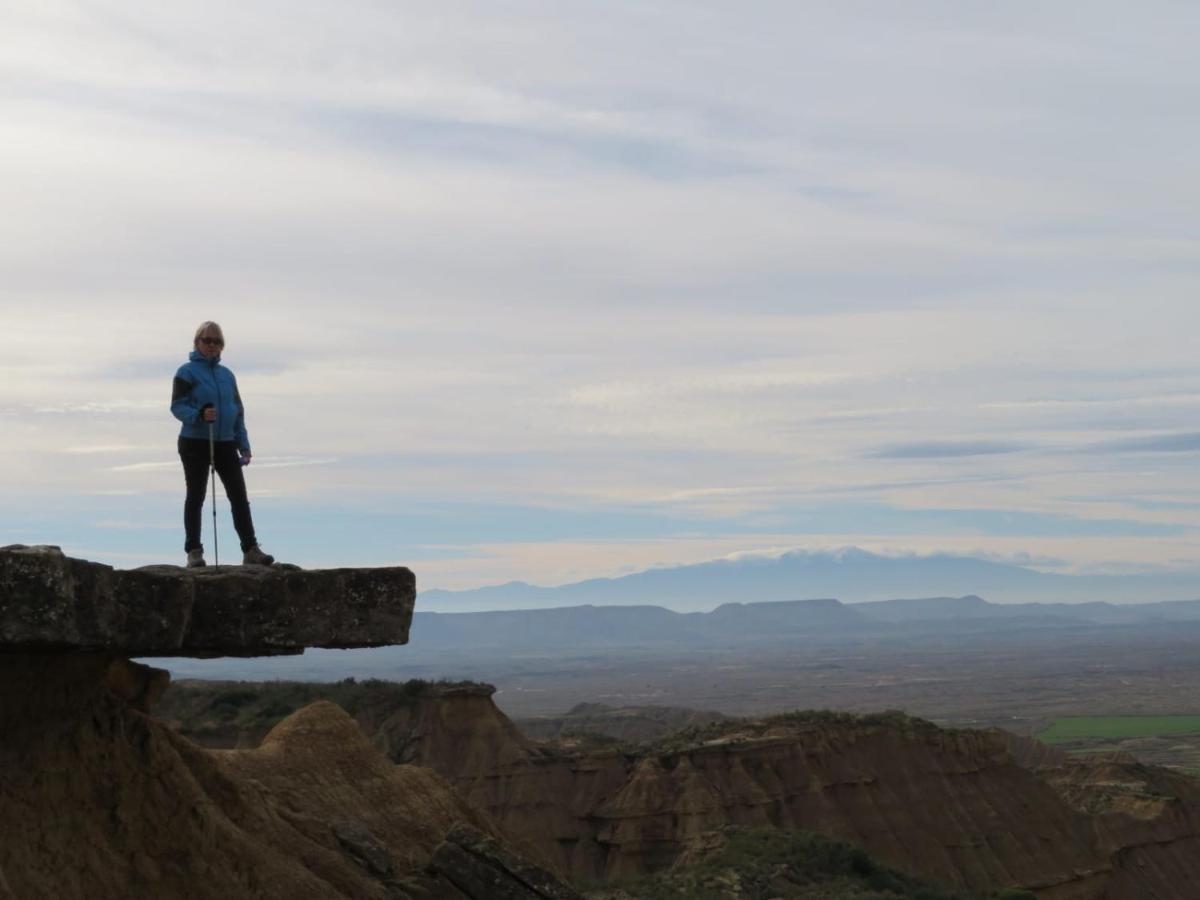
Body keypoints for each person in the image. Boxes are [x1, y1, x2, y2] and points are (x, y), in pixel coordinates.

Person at [170, 321, 275, 567]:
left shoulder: (227, 375)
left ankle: (250, 549)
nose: (212, 345)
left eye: (217, 341)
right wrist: (198, 414)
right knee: (196, 495)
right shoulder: (186, 372)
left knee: (239, 496)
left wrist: (244, 445)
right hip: (195, 440)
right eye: (207, 340)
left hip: (225, 441)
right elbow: (177, 406)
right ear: (197, 342)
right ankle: (194, 551)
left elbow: (236, 411)